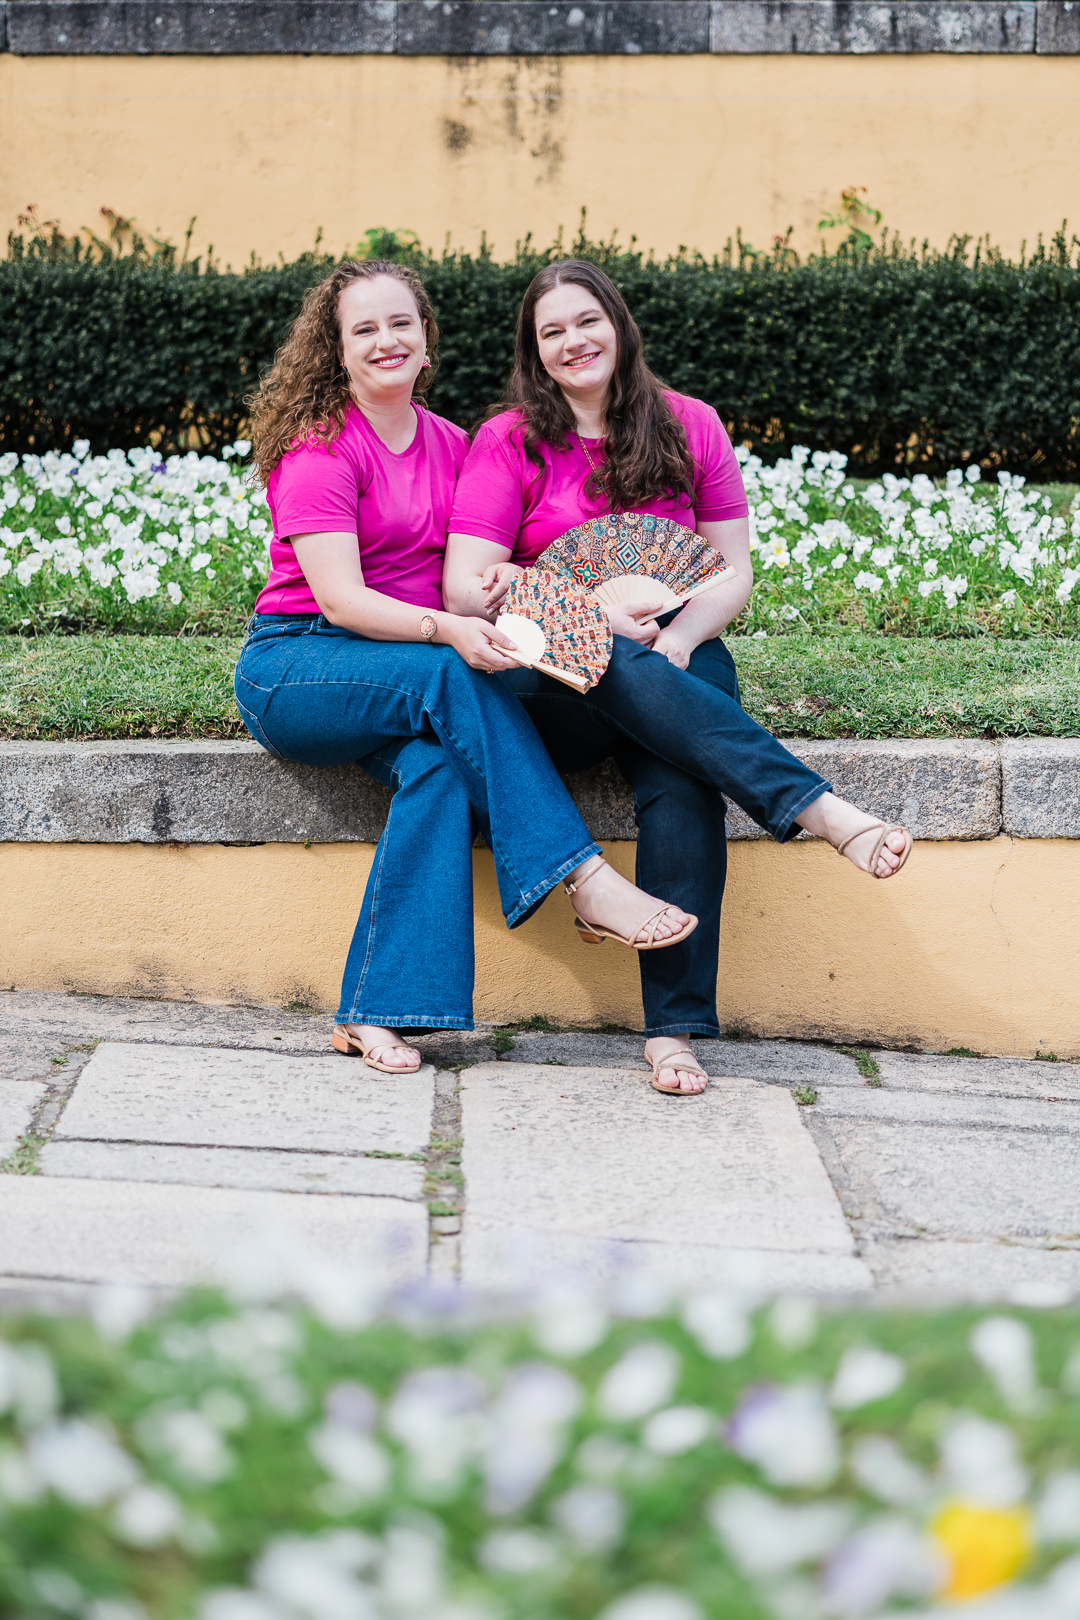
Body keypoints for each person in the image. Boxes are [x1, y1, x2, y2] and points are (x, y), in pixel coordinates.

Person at [444, 259, 910, 1097]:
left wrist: (685, 637)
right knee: (615, 656)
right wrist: (584, 612)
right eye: (552, 332)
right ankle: (819, 809)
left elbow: (731, 569)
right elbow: (466, 582)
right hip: (554, 681)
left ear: (618, 325)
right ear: (534, 351)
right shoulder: (508, 440)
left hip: (679, 651)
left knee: (683, 775)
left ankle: (676, 1032)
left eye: (587, 321)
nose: (573, 341)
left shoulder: (689, 424)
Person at [235, 259, 696, 1076]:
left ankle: (377, 1010)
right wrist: (448, 629)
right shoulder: (320, 450)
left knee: (443, 774)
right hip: (299, 664)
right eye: (364, 329)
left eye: (400, 324)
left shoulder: (453, 444)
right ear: (336, 351)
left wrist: (540, 601)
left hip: (405, 672)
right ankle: (586, 881)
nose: (386, 341)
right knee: (453, 677)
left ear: (426, 339)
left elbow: (487, 569)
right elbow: (339, 602)